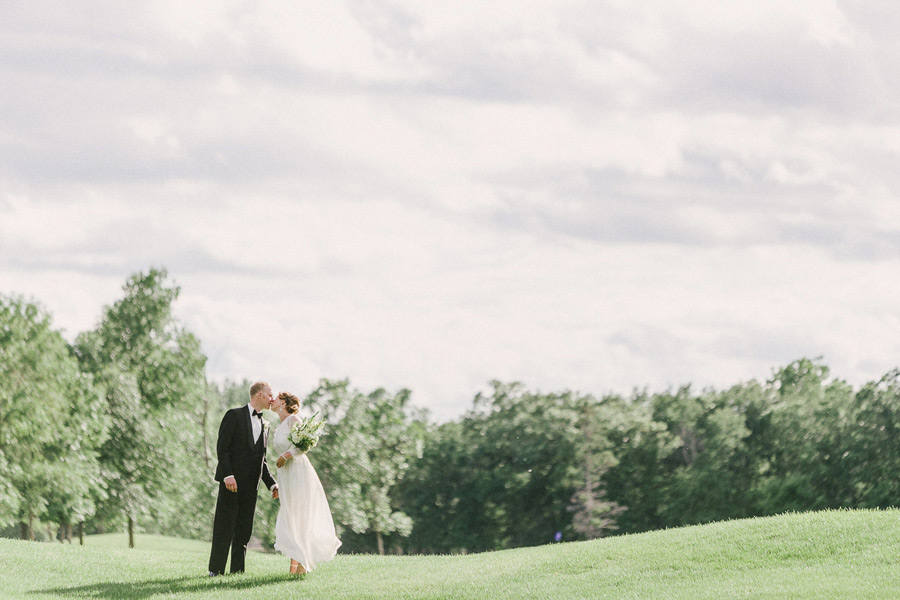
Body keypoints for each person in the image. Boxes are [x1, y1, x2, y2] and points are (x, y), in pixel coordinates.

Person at [208, 381, 279, 576]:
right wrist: (227, 475)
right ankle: (215, 571)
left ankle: (237, 572)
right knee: (224, 527)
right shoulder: (234, 415)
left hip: (251, 487)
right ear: (259, 395)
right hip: (231, 483)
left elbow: (261, 460)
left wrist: (272, 483)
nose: (272, 399)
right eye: (269, 394)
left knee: (244, 530)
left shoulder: (266, 425)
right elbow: (222, 448)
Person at [271, 391, 341, 575]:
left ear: (284, 402)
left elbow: (305, 444)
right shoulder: (279, 426)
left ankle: (301, 565)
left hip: (298, 472)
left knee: (300, 516)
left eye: (276, 398)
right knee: (291, 516)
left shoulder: (295, 420)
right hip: (285, 475)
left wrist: (287, 455)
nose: (272, 400)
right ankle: (296, 565)